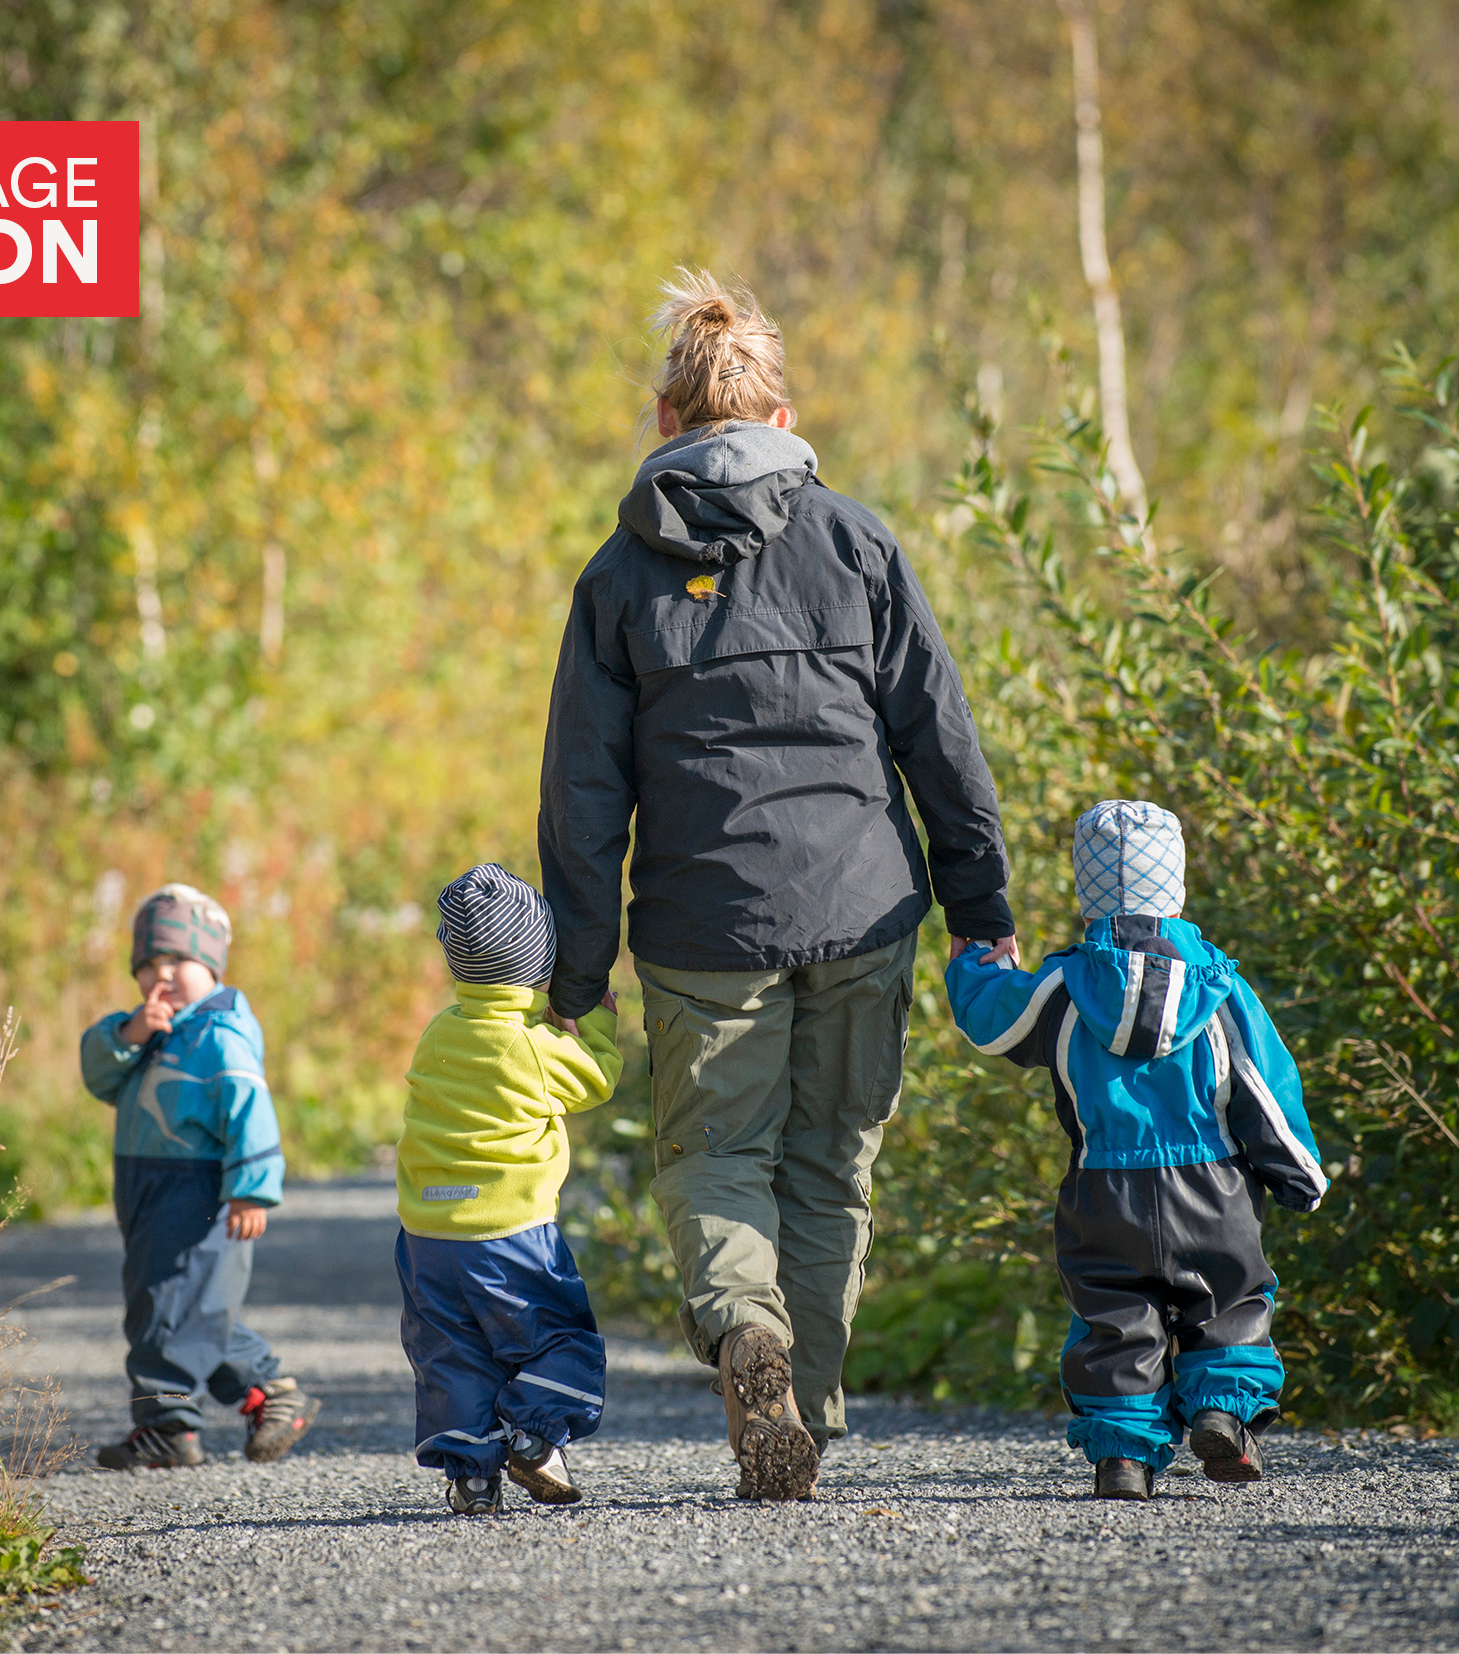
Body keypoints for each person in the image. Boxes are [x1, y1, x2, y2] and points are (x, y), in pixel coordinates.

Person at [538, 270, 1015, 1500]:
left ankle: (747, 1336)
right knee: (831, 1157)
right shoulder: (855, 541)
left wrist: (576, 974)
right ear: (784, 419)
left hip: (704, 924)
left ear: (663, 424)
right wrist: (984, 912)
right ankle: (801, 1400)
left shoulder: (615, 574)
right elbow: (937, 736)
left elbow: (582, 796)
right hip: (860, 905)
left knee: (714, 1156)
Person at [944, 800, 1327, 1500]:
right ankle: (1221, 1413)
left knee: (1116, 1315)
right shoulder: (1218, 987)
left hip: (1103, 1191)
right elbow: (1265, 1088)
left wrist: (974, 962)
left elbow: (990, 1022)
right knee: (1228, 1300)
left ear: (1086, 894)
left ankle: (1123, 1457)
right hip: (1211, 1185)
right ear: (1174, 886)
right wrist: (1298, 1172)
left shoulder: (1064, 988)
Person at [396, 864, 624, 1515]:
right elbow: (597, 1079)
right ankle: (532, 1431)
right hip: (509, 1233)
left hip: (427, 1240)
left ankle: (471, 1474)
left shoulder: (439, 1031)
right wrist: (596, 1022)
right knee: (559, 1339)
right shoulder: (531, 1045)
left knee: (453, 1355)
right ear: (540, 962)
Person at [79, 883, 324, 1469]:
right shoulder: (154, 1031)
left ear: (210, 966)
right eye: (147, 965)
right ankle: (270, 1393)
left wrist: (250, 1190)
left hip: (200, 1194)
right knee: (181, 1309)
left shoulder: (219, 1034)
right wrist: (129, 1034)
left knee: (170, 1310)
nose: (160, 977)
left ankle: (169, 1424)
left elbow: (249, 1110)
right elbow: (99, 1077)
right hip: (146, 1191)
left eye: (176, 962)